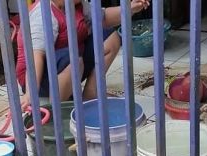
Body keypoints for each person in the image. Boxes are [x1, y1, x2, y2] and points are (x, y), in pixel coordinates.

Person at [17, 0, 150, 110]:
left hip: (72, 63)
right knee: (73, 59)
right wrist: (30, 93)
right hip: (40, 78)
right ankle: (58, 111)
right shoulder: (44, 13)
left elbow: (103, 19)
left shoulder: (77, 5)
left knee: (110, 37)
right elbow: (35, 57)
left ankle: (90, 94)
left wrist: (131, 8)